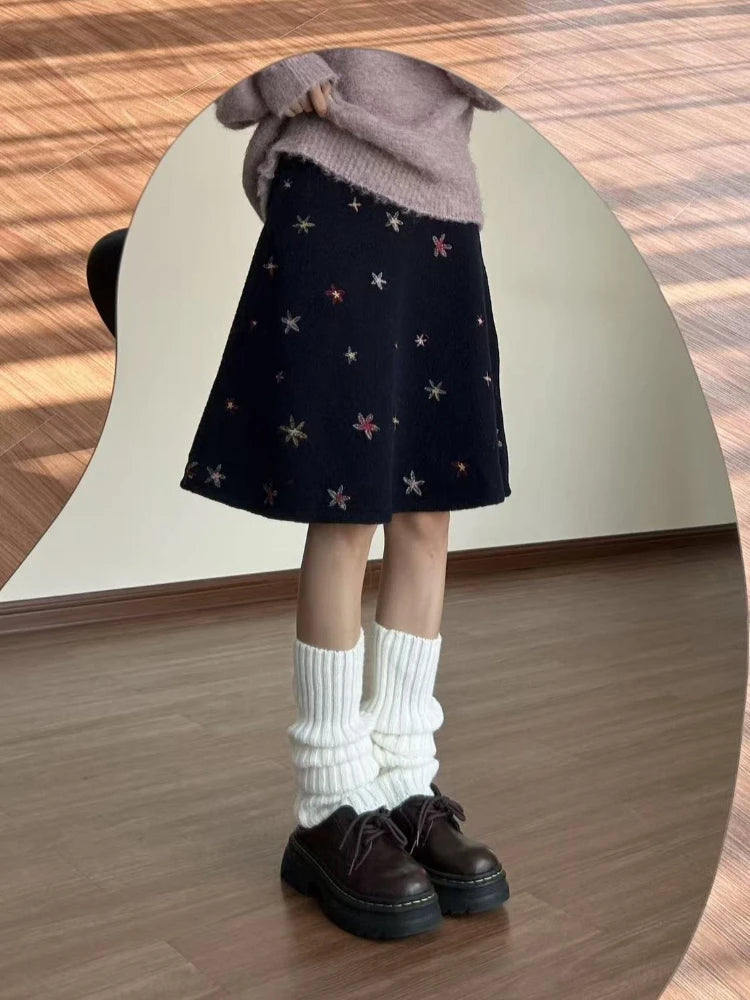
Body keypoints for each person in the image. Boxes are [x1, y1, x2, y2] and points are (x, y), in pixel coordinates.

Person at [90, 47, 512, 940]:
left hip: (445, 193)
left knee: (427, 509)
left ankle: (402, 777)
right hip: (333, 174)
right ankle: (329, 801)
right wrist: (281, 62)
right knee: (345, 505)